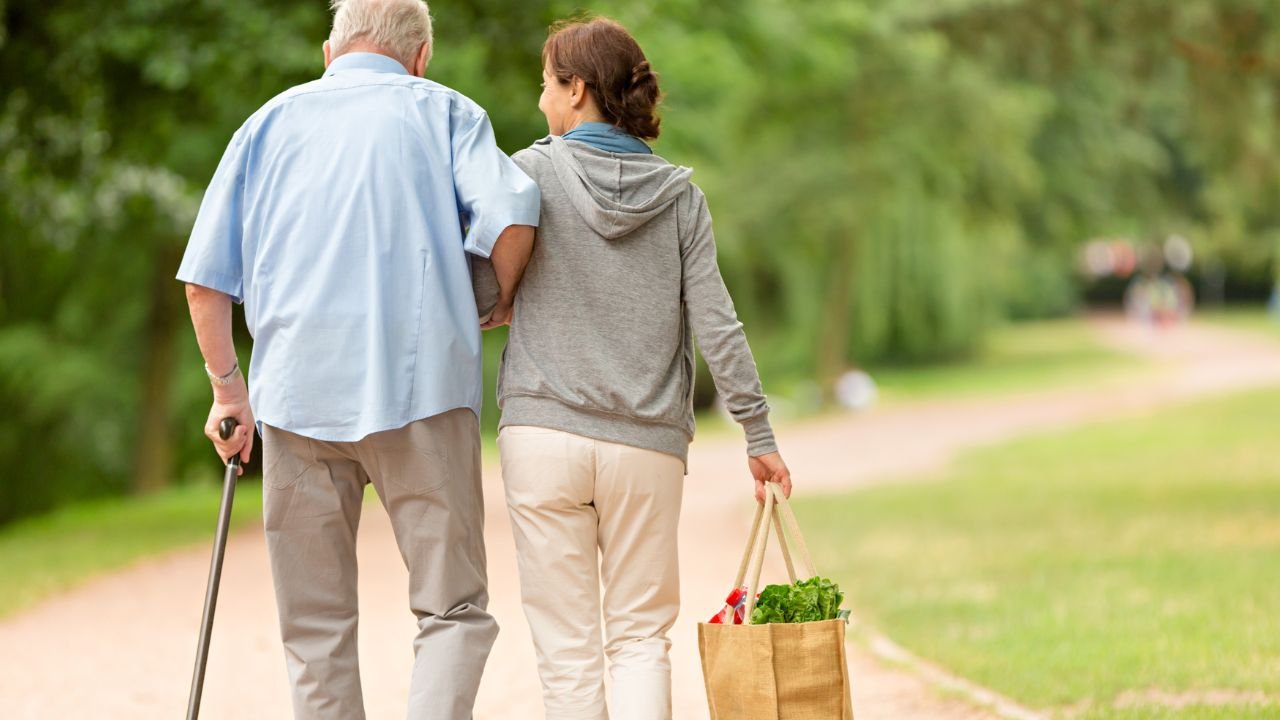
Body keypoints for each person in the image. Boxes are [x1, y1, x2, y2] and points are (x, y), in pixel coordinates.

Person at [176, 0, 539, 717]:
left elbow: (205, 282)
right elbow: (514, 218)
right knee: (452, 609)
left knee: (313, 625)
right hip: (423, 394)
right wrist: (497, 296)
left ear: (327, 52)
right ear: (420, 56)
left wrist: (228, 392)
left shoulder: (267, 124)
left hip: (295, 401)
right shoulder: (447, 113)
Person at [474, 16, 792, 720]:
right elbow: (718, 323)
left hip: (543, 433)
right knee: (641, 639)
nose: (539, 101)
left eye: (545, 85)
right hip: (645, 444)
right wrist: (758, 433)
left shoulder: (527, 174)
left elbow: (481, 292)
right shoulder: (680, 196)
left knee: (567, 649)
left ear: (578, 90)